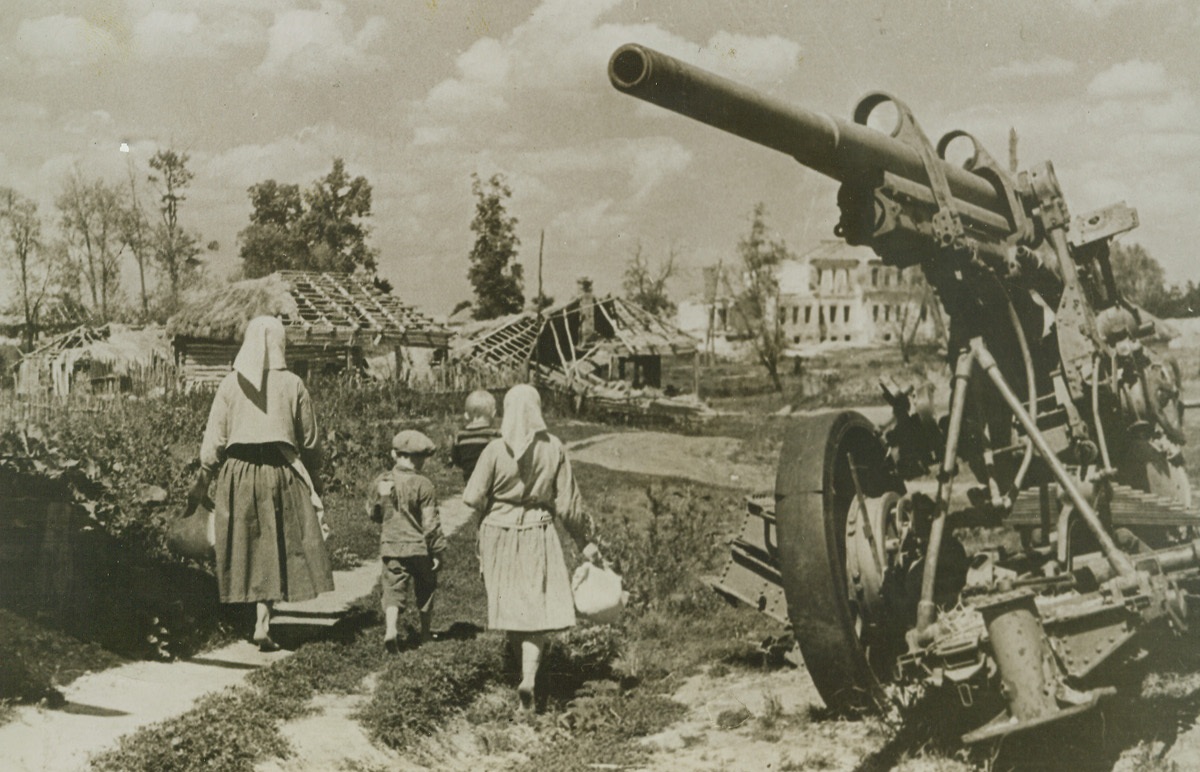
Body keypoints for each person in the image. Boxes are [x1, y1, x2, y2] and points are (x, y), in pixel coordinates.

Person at [191, 316, 334, 652]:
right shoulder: (293, 384)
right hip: (278, 470)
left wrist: (202, 480)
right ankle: (262, 618)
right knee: (275, 542)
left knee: (247, 541)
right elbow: (310, 442)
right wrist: (314, 479)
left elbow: (214, 441)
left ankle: (249, 614)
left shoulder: (230, 384)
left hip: (237, 472)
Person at [464, 383, 603, 710]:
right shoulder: (553, 447)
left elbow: (471, 497)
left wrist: (492, 504)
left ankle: (521, 674)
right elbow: (569, 506)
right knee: (537, 607)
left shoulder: (495, 450)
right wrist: (586, 542)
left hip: (498, 530)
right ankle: (529, 677)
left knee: (511, 601)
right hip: (538, 531)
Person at [367, 429, 446, 651]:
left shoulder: (382, 480)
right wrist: (437, 550)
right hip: (420, 549)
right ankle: (425, 633)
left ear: (394, 455)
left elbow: (374, 515)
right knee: (426, 587)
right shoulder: (424, 484)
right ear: (421, 458)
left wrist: (383, 498)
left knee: (393, 588)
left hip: (392, 547)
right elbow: (430, 523)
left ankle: (391, 629)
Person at [450, 390, 500, 483]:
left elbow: (456, 459)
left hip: (470, 482)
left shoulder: (460, 437)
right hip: (491, 482)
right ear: (493, 414)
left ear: (466, 416)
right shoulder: (494, 435)